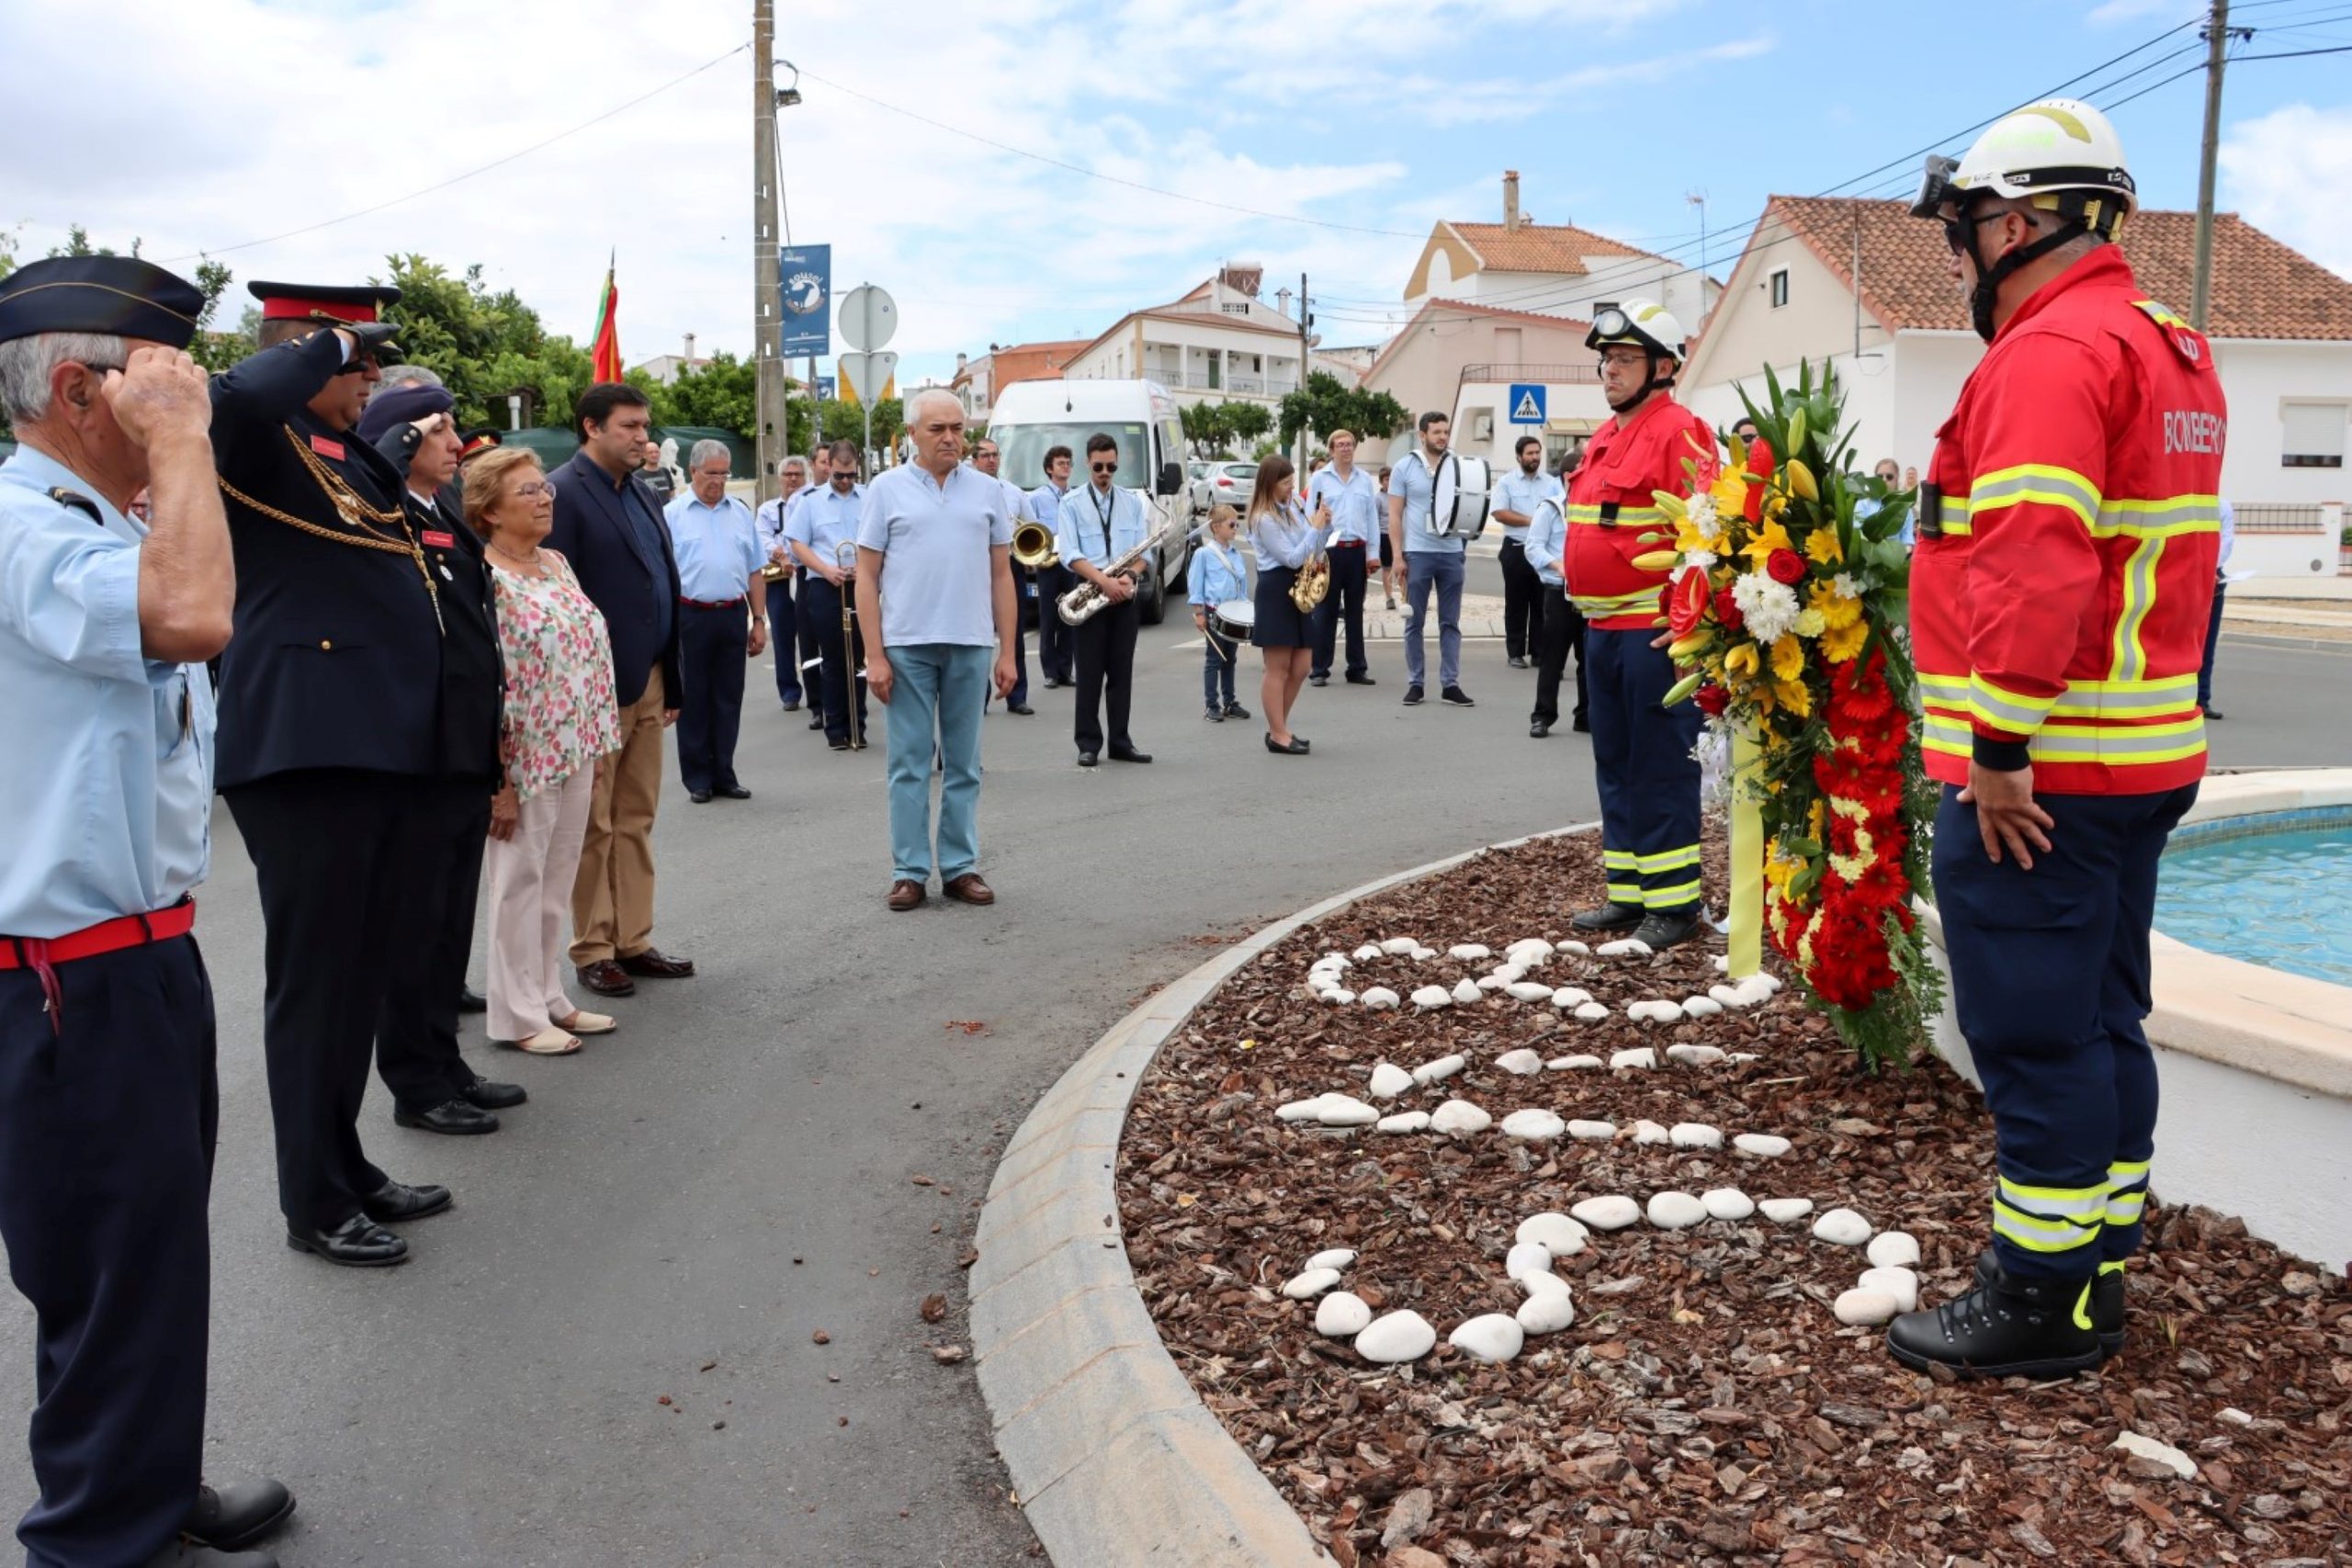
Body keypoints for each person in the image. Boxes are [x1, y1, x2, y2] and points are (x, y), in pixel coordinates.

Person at [1888, 99, 2223, 1381]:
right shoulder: (2167, 345)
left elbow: (2032, 563)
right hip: (2138, 754)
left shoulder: (2047, 354)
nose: (1963, 256)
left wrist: (2002, 747)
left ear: (2022, 219)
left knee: (2035, 1037)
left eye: (1969, 228)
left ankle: (2038, 1303)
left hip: (2048, 772)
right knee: (2104, 1021)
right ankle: (2097, 1271)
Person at [0, 256, 300, 1568]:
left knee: (154, 1257)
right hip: (65, 973)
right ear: (80, 389)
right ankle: (93, 1539)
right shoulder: (25, 529)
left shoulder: (103, 520)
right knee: (107, 1267)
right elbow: (194, 615)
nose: (191, 407)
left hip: (143, 953)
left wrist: (168, 445)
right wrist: (177, 442)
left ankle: (142, 1482)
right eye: (158, 381)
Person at [209, 280, 458, 1268]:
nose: (371, 381)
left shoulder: (340, 450)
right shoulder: (252, 434)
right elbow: (234, 393)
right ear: (307, 356)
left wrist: (381, 440)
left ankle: (346, 1162)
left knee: (359, 969)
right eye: (355, 366)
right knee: (315, 983)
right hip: (303, 748)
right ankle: (311, 1198)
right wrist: (328, 341)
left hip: (371, 746)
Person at [356, 379, 526, 1136]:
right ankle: (416, 1081)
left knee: (448, 923)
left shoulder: (441, 517)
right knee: (416, 929)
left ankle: (445, 1062)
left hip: (462, 751)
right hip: (421, 759)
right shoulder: (387, 518)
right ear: (398, 441)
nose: (457, 445)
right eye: (439, 432)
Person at [1564, 299, 1713, 949]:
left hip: (1652, 635)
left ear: (1662, 366)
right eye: (1606, 360)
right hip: (1601, 632)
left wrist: (1691, 626)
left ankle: (1675, 904)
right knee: (1616, 762)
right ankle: (1630, 894)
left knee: (1658, 765)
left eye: (1623, 359)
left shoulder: (1682, 429)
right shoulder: (1607, 434)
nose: (1609, 371)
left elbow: (1707, 535)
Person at [470, 448, 624, 1055]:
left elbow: (589, 648)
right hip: (521, 753)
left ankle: (547, 995)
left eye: (545, 490)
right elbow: (485, 676)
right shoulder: (483, 573)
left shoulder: (556, 563)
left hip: (574, 744)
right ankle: (515, 1013)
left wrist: (599, 732)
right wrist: (497, 775)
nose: (545, 499)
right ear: (489, 510)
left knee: (556, 877)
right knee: (517, 881)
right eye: (528, 492)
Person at [546, 383, 695, 999]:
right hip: (595, 686)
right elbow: (556, 599)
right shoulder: (562, 493)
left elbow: (660, 580)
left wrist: (672, 676)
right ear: (591, 427)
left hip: (650, 678)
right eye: (631, 426)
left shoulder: (640, 491)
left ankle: (634, 939)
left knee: (636, 818)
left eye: (646, 426)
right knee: (594, 825)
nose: (644, 436)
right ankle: (594, 947)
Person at [856, 389, 1018, 910]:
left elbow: (1001, 573)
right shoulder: (886, 489)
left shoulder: (988, 491)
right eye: (937, 429)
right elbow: (866, 574)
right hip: (906, 646)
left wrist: (1008, 650)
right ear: (911, 435)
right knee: (908, 763)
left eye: (957, 428)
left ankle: (959, 867)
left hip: (970, 642)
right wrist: (874, 654)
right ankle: (908, 871)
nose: (950, 438)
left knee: (965, 765)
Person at [663, 440, 766, 803]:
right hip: (690, 614)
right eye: (712, 474)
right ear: (693, 472)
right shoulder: (673, 514)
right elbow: (663, 574)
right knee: (693, 697)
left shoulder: (739, 512)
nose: (719, 481)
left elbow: (755, 569)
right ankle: (697, 778)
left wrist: (758, 620)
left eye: (724, 474)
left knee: (728, 696)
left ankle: (724, 771)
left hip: (732, 613)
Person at [1054, 432, 1152, 767]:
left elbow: (1144, 551)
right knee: (1090, 673)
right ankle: (1088, 744)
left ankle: (1121, 742)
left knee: (1121, 673)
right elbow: (1069, 553)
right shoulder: (1071, 503)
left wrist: (1131, 576)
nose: (1105, 472)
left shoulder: (1132, 501)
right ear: (1087, 463)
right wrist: (1104, 582)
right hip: (1090, 592)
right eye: (1098, 466)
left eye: (1111, 466)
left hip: (1125, 593)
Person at [1385, 412, 1474, 707]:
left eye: (1446, 432)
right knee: (1414, 621)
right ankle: (1416, 683)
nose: (1443, 437)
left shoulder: (1458, 465)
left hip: (1451, 553)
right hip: (1418, 553)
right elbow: (1395, 515)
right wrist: (1397, 556)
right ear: (1422, 434)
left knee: (1451, 622)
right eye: (1436, 432)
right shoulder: (1405, 467)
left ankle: (1451, 683)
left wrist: (1463, 546)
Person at [788, 440, 872, 751]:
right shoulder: (811, 501)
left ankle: (857, 726)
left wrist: (865, 567)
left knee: (860, 657)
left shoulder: (870, 497)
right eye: (839, 476)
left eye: (851, 475)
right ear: (828, 468)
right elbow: (797, 542)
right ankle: (835, 727)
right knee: (834, 657)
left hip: (861, 583)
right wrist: (825, 569)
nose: (846, 482)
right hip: (826, 584)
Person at [1249, 457, 1333, 755]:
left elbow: (1312, 550)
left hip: (1298, 588)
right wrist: (1315, 529)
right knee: (1278, 667)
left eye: (1292, 480)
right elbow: (1292, 557)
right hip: (1276, 589)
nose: (1291, 486)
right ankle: (1278, 732)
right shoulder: (1263, 518)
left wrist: (1323, 527)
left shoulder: (1292, 508)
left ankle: (1279, 728)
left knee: (1302, 666)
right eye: (1286, 482)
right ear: (1270, 483)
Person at [1306, 428, 1380, 687]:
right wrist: (1313, 554)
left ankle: (1356, 667)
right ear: (1331, 449)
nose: (1346, 448)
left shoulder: (1364, 480)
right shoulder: (1320, 479)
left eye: (1350, 444)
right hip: (1329, 550)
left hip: (1356, 550)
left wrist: (1373, 554)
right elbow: (1310, 515)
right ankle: (1319, 669)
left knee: (1355, 612)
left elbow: (1371, 518)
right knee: (1324, 611)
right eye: (1341, 445)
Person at [969, 434, 1034, 714]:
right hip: (975, 565)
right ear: (974, 460)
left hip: (1009, 565)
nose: (991, 460)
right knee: (976, 633)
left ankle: (1017, 697)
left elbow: (1031, 527)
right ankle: (978, 698)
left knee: (1013, 631)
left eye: (995, 455)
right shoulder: (967, 491)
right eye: (985, 455)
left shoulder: (1014, 492)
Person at [1523, 487, 1587, 737]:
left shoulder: (1595, 506)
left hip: (1588, 593)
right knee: (1552, 659)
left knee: (1589, 659)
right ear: (1571, 478)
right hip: (1558, 592)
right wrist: (1558, 564)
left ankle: (1585, 716)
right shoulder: (1551, 508)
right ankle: (1542, 716)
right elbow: (1533, 547)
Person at [1490, 434, 1555, 670]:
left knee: (1542, 603)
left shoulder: (1550, 483)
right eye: (1530, 453)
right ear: (1519, 457)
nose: (1534, 457)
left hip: (1544, 551)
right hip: (1516, 549)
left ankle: (1539, 653)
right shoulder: (1507, 482)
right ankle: (1515, 652)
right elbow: (1499, 512)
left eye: (1537, 453)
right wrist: (1533, 520)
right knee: (1516, 603)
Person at [786, 445, 837, 731]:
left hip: (843, 578)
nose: (828, 468)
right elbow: (792, 543)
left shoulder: (855, 495)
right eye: (823, 462)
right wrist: (821, 564)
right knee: (810, 644)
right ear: (814, 465)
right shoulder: (801, 500)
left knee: (845, 646)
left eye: (832, 462)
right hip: (811, 577)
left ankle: (844, 704)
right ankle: (817, 706)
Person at [754, 454, 808, 713]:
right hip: (779, 579)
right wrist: (781, 554)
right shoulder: (768, 510)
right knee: (783, 636)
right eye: (789, 475)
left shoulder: (811, 505)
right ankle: (789, 691)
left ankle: (819, 690)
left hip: (808, 576)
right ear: (780, 479)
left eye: (798, 474)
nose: (794, 479)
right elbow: (762, 539)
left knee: (813, 636)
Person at [1189, 503, 1252, 722]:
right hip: (1214, 613)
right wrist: (1199, 613)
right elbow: (1196, 585)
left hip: (1234, 614)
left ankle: (1230, 702)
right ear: (1216, 527)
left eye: (1237, 524)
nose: (1236, 528)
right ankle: (1211, 705)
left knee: (1230, 659)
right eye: (1232, 524)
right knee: (1214, 659)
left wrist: (1246, 611)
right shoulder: (1204, 554)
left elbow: (1241, 585)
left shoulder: (1237, 554)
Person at [1028, 444, 1078, 687]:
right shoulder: (1036, 497)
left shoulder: (1076, 496)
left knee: (1069, 615)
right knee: (1048, 619)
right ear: (1049, 468)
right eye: (1061, 463)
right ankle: (1050, 672)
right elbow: (1029, 531)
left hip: (1070, 563)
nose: (1066, 466)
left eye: (1068, 462)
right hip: (1048, 563)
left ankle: (1066, 670)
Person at [2199, 499, 2233, 719]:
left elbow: (2227, 541)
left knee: (2207, 642)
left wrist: (2211, 569)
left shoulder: (2222, 505)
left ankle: (2201, 699)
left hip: (2213, 575)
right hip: (2188, 572)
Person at [1375, 464, 1397, 608]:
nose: (1389, 482)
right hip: (1384, 535)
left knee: (1404, 567)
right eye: (1386, 479)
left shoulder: (1398, 496)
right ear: (1381, 481)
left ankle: (1406, 597)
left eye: (1391, 479)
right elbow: (1374, 520)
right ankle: (1389, 597)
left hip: (1399, 535)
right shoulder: (1378, 499)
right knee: (1387, 568)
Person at [637, 435, 677, 504]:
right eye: (650, 452)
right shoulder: (637, 476)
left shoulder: (665, 471)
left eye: (656, 452)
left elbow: (672, 493)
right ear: (644, 455)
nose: (654, 455)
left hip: (667, 513)